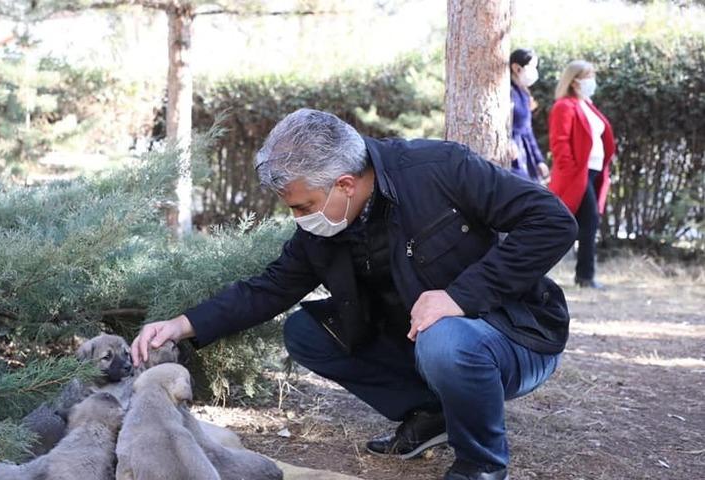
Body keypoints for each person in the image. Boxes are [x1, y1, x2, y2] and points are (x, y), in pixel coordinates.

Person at [131, 109, 578, 480]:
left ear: (344, 184)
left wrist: (461, 296)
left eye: (303, 206)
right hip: (424, 344)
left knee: (444, 335)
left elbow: (553, 223)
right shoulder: (325, 225)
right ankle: (434, 415)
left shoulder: (439, 169)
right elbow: (269, 288)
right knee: (306, 331)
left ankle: (481, 464)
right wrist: (182, 324)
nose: (300, 218)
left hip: (514, 337)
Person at [548, 60, 616, 289]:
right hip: (577, 175)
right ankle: (585, 276)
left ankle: (584, 276)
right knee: (586, 222)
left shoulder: (587, 104)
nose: (591, 81)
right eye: (587, 76)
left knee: (584, 223)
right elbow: (560, 143)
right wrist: (569, 172)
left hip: (594, 173)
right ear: (574, 81)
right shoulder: (564, 106)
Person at [508, 48, 549, 182]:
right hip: (512, 151)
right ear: (516, 67)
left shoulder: (525, 94)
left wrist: (539, 160)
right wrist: (508, 142)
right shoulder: (507, 92)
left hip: (524, 151)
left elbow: (527, 129)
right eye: (531, 66)